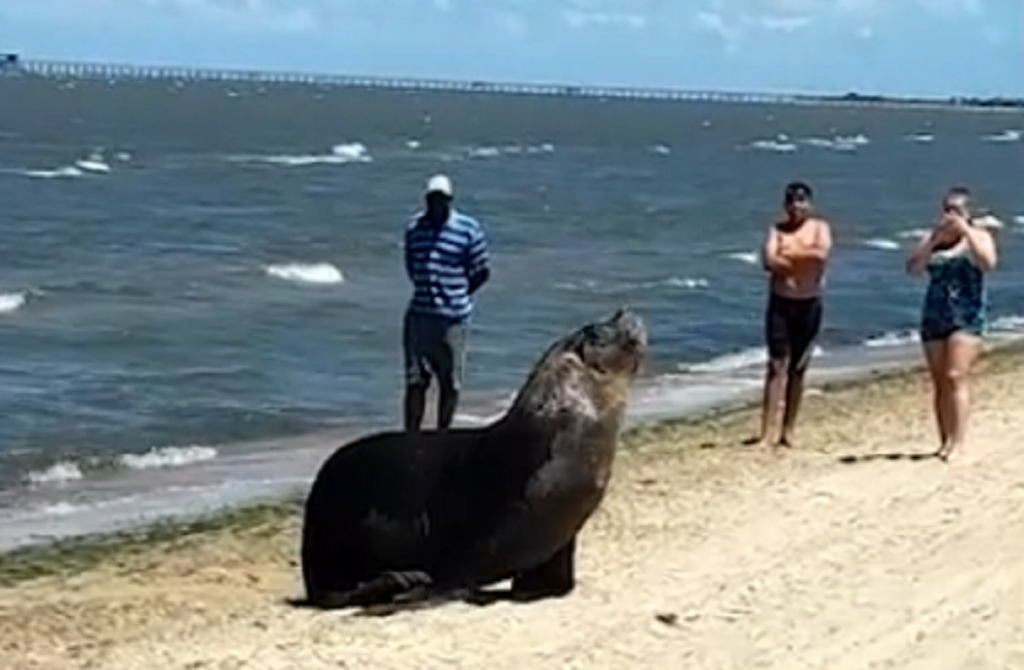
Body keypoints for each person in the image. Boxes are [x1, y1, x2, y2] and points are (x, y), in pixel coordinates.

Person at [906, 186, 999, 462]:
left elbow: (988, 262)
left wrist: (966, 231)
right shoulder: (934, 238)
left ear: (968, 212)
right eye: (948, 209)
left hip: (967, 316)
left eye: (957, 210)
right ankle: (944, 440)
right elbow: (913, 268)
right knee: (939, 381)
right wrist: (933, 240)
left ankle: (958, 442)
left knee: (955, 375)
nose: (951, 215)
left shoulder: (978, 237)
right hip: (936, 313)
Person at [747, 181, 833, 448]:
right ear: (785, 205)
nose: (797, 206)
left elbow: (821, 255)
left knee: (798, 368)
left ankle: (788, 430)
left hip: (809, 303)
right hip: (781, 303)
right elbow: (769, 260)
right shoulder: (777, 230)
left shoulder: (820, 228)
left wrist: (789, 256)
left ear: (809, 203)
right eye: (792, 201)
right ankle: (766, 431)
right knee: (776, 366)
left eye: (802, 201)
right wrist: (799, 258)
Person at [402, 174, 491, 432]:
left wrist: (459, 294)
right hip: (420, 316)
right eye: (432, 199)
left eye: (441, 199)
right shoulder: (414, 229)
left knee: (450, 383)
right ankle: (411, 435)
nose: (436, 204)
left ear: (450, 200)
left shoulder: (467, 229)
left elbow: (481, 271)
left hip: (453, 319)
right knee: (415, 381)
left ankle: (443, 433)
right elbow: (412, 266)